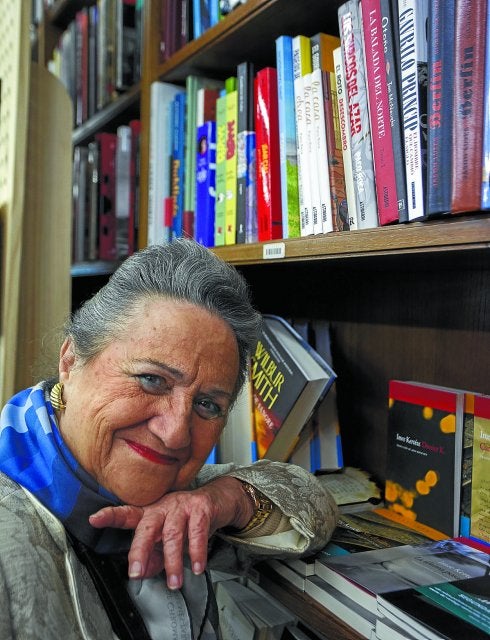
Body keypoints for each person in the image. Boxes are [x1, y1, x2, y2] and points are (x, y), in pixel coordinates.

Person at [0, 239, 338, 640]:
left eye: (208, 405)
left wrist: (225, 499)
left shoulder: (181, 500)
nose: (176, 433)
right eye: (151, 379)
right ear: (71, 361)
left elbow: (315, 504)